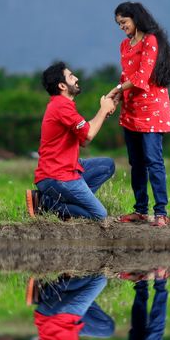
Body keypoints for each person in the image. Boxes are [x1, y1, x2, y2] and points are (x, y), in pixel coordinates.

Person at [113, 2, 170, 227]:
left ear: (135, 18)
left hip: (152, 110)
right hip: (131, 109)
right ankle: (140, 210)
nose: (122, 27)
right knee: (136, 162)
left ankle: (161, 211)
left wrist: (116, 90)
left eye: (124, 22)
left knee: (154, 161)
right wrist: (117, 97)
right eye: (119, 24)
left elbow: (142, 77)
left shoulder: (150, 41)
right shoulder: (125, 45)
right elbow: (126, 76)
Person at [27, 61, 120, 221]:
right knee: (100, 215)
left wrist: (103, 112)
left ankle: (71, 204)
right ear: (62, 86)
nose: (76, 78)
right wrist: (103, 109)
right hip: (57, 176)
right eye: (71, 76)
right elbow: (89, 134)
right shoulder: (62, 107)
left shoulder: (63, 106)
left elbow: (84, 140)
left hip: (68, 169)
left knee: (107, 165)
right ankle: (45, 203)